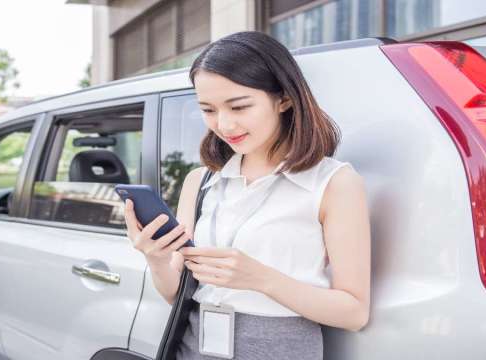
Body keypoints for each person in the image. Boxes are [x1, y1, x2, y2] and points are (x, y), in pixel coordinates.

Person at [123, 31, 370, 360]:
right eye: (208, 110)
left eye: (239, 106)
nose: (224, 124)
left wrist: (261, 279)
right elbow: (176, 295)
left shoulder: (334, 183)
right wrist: (156, 259)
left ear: (284, 98)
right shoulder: (200, 181)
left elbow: (354, 312)